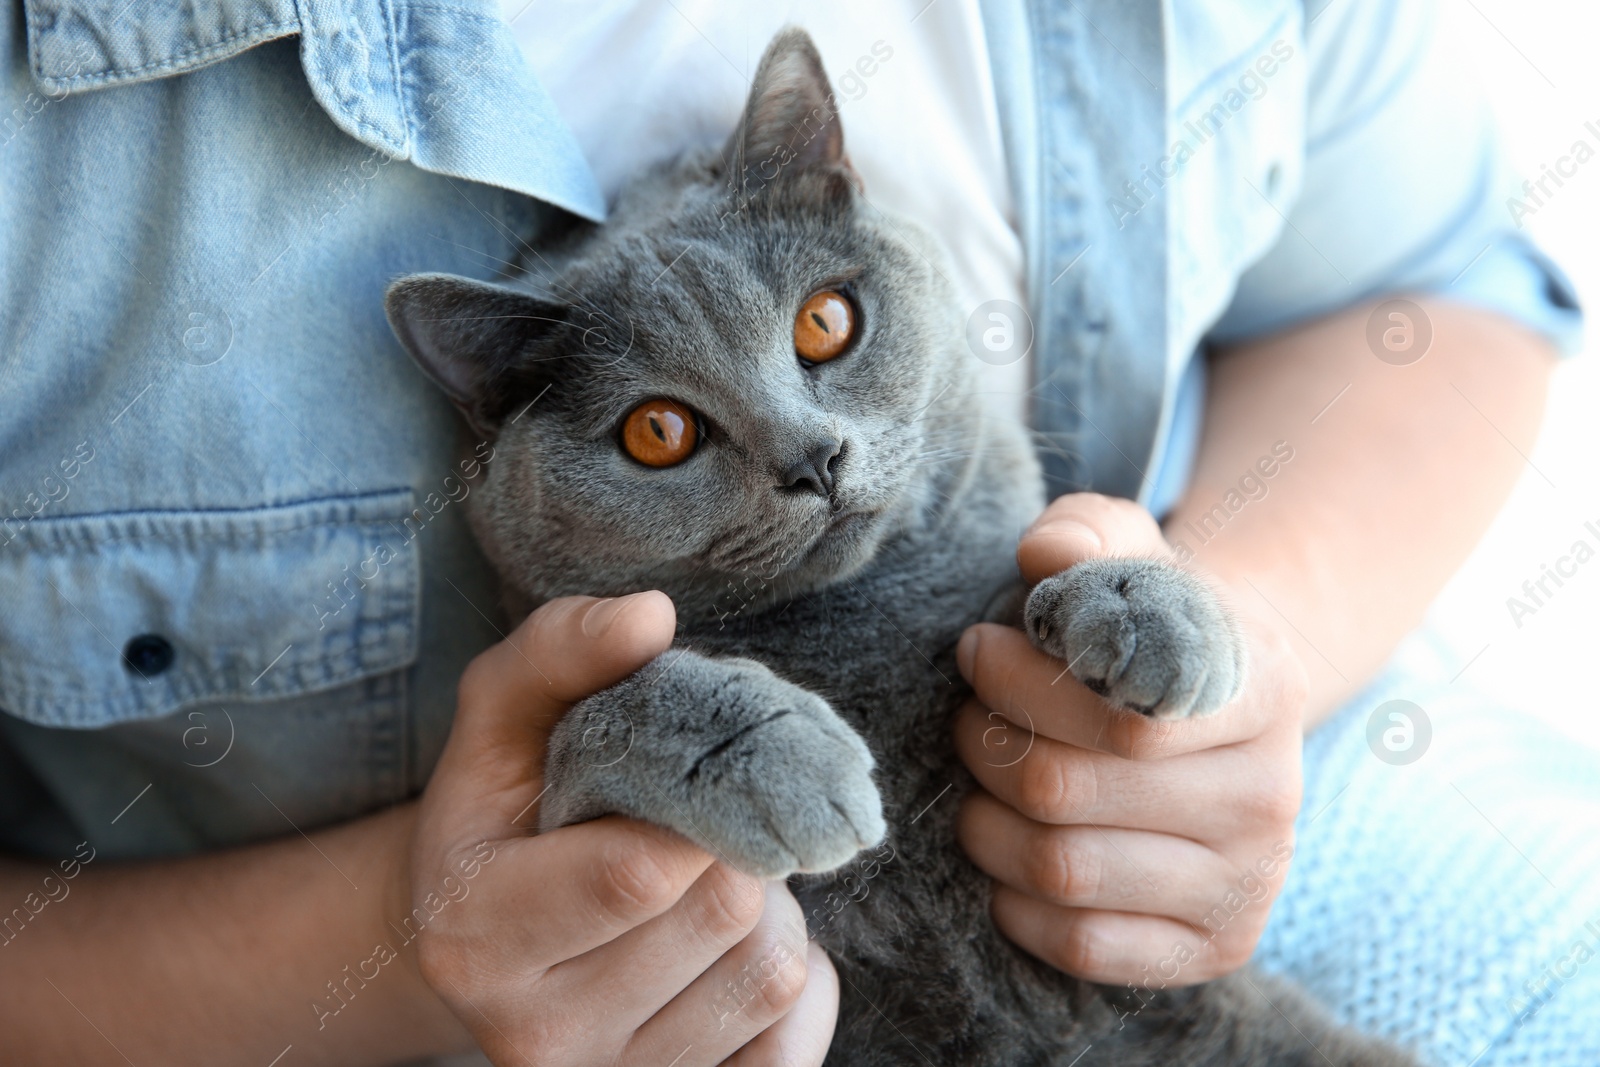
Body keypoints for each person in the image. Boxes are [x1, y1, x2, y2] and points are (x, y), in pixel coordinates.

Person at [1, 1, 1595, 1065]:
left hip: (1273, 801)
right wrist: (403, 938)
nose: (811, 452)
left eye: (825, 326)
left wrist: (1251, 646)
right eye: (662, 433)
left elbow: (1432, 285)